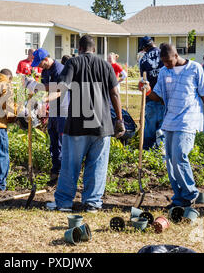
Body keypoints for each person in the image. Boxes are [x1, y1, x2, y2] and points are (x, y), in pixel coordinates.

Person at [46, 34, 125, 213]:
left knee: (69, 166)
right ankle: (92, 203)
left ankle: (64, 203)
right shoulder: (106, 65)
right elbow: (115, 94)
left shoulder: (73, 63)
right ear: (94, 50)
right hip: (102, 125)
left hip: (77, 125)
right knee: (97, 166)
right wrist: (119, 119)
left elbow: (62, 87)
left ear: (79, 49)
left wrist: (44, 99)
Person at [139, 43, 204, 209]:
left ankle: (190, 194)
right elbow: (159, 97)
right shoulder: (164, 71)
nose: (167, 65)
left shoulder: (195, 68)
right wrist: (147, 90)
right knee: (169, 161)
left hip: (188, 120)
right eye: (164, 62)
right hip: (169, 120)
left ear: (176, 55)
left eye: (169, 61)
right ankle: (179, 198)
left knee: (179, 155)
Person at [24, 48, 65, 186]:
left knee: (62, 141)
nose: (39, 67)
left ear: (46, 59)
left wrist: (39, 87)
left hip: (63, 109)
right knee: (53, 140)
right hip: (53, 109)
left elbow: (58, 89)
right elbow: (44, 87)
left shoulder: (59, 69)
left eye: (40, 63)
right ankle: (55, 171)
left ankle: (64, 173)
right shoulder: (46, 71)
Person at [138, 36, 165, 150]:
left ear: (144, 47)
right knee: (163, 129)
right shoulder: (164, 54)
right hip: (164, 98)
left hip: (150, 97)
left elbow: (143, 81)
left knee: (149, 130)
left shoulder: (143, 60)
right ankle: (162, 153)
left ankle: (147, 152)